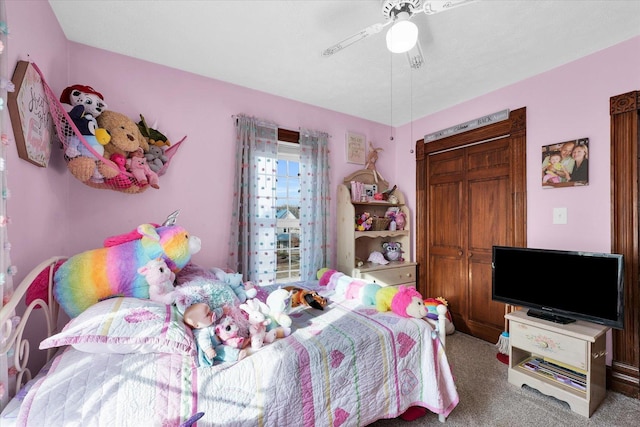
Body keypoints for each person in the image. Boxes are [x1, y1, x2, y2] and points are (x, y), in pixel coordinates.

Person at [183, 302, 248, 366]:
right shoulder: (201, 332)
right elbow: (203, 341)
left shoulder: (207, 321)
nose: (211, 313)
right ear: (197, 325)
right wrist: (208, 349)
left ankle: (242, 342)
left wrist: (222, 310)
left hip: (221, 339)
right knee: (223, 350)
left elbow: (215, 313)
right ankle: (237, 355)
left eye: (210, 311)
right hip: (214, 348)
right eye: (207, 314)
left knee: (231, 333)